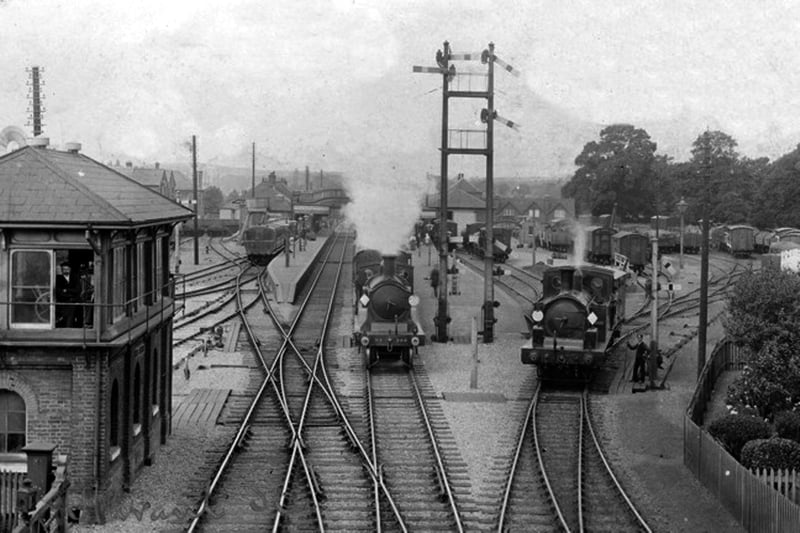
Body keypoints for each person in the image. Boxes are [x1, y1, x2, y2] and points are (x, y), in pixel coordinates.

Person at [55, 262, 81, 327]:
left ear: (70, 269)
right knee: (65, 318)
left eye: (67, 269)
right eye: (64, 269)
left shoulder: (74, 277)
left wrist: (66, 290)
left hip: (74, 301)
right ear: (62, 270)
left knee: (74, 316)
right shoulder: (58, 279)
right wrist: (70, 294)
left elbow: (78, 290)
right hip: (63, 302)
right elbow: (58, 291)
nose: (66, 270)